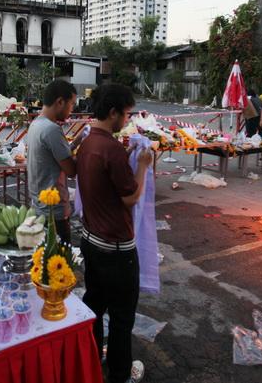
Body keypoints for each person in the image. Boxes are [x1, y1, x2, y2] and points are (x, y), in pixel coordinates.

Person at [77, 84, 151, 383]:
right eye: (126, 114)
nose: (127, 120)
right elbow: (130, 198)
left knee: (94, 303)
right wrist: (143, 166)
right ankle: (120, 374)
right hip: (117, 250)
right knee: (122, 318)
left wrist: (127, 153)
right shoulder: (110, 149)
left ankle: (93, 361)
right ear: (113, 112)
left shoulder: (88, 142)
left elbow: (106, 179)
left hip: (91, 241)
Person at [26, 79, 79, 244]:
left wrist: (77, 141)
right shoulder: (52, 129)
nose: (72, 110)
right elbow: (71, 170)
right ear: (60, 102)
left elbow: (55, 156)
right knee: (59, 261)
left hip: (38, 205)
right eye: (71, 104)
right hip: (54, 211)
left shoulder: (36, 124)